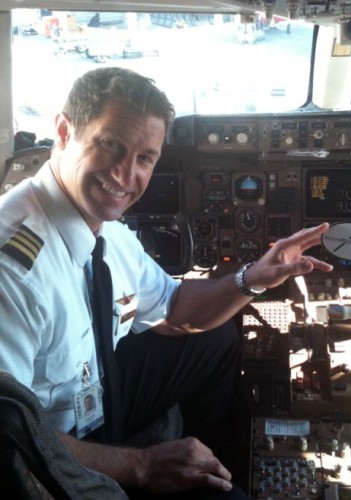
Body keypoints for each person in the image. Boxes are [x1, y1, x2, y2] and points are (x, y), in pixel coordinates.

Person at [0, 67, 333, 498]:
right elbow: (12, 439)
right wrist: (142, 465)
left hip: (93, 389)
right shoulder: (14, 273)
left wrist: (252, 279)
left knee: (215, 340)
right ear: (64, 131)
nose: (124, 175)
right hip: (51, 453)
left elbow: (175, 311)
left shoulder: (104, 228)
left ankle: (223, 467)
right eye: (109, 145)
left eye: (144, 158)